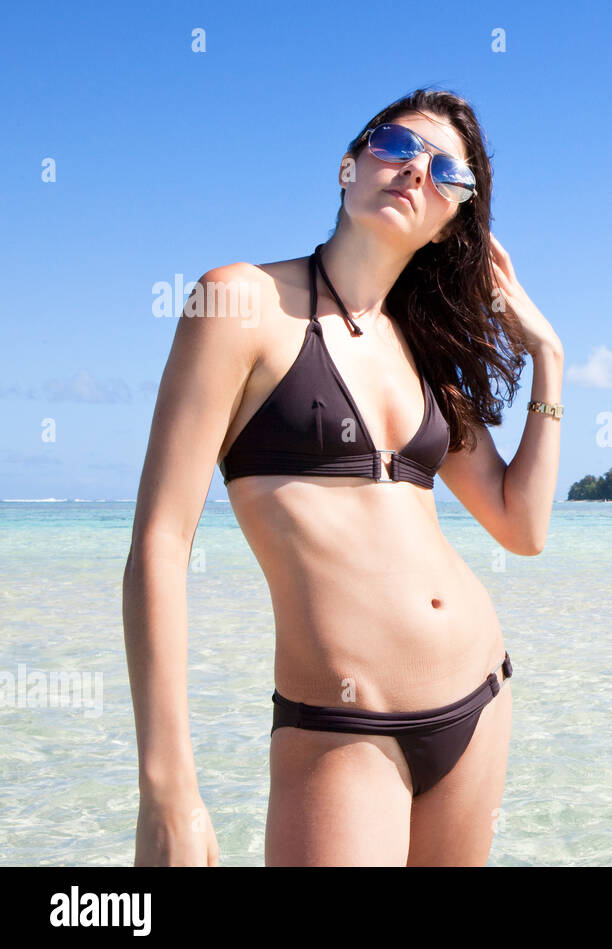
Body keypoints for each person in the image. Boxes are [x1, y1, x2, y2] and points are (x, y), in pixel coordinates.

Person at [122, 88, 564, 865]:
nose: (415, 170)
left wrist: (549, 360)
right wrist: (168, 790)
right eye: (397, 145)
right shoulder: (240, 302)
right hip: (341, 729)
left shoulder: (425, 357)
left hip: (479, 700)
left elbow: (521, 527)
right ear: (348, 163)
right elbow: (162, 543)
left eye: (446, 170)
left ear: (451, 221)